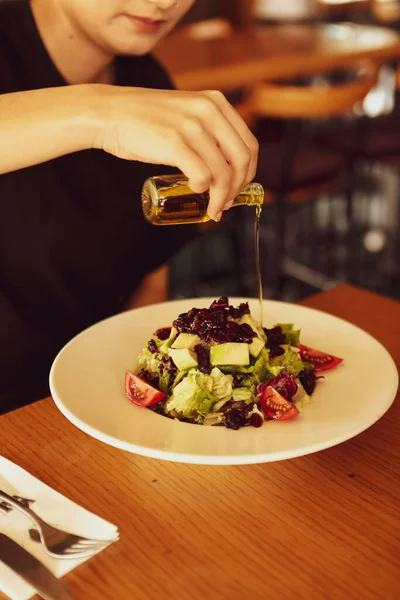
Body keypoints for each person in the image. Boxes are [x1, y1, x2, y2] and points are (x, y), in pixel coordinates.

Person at [0, 0, 258, 413]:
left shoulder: (149, 82)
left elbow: (149, 275)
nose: (167, 1)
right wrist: (99, 114)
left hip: (89, 405)